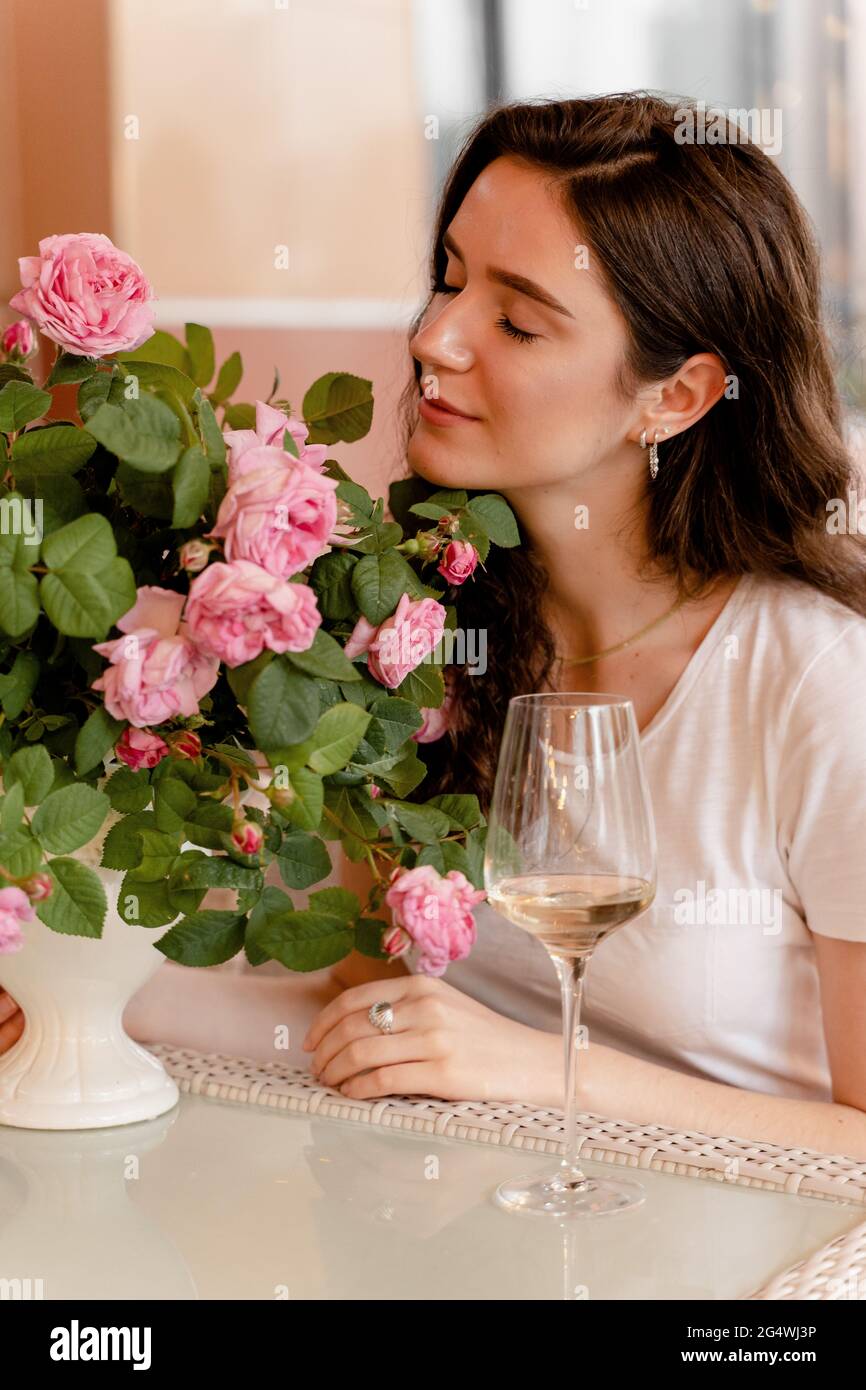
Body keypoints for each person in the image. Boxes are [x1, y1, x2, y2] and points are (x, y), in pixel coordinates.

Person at [5, 94, 866, 1160]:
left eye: (515, 320)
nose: (432, 339)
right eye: (448, 280)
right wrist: (66, 1005)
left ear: (678, 396)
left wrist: (541, 1068)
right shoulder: (422, 631)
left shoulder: (818, 685)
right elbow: (362, 1007)